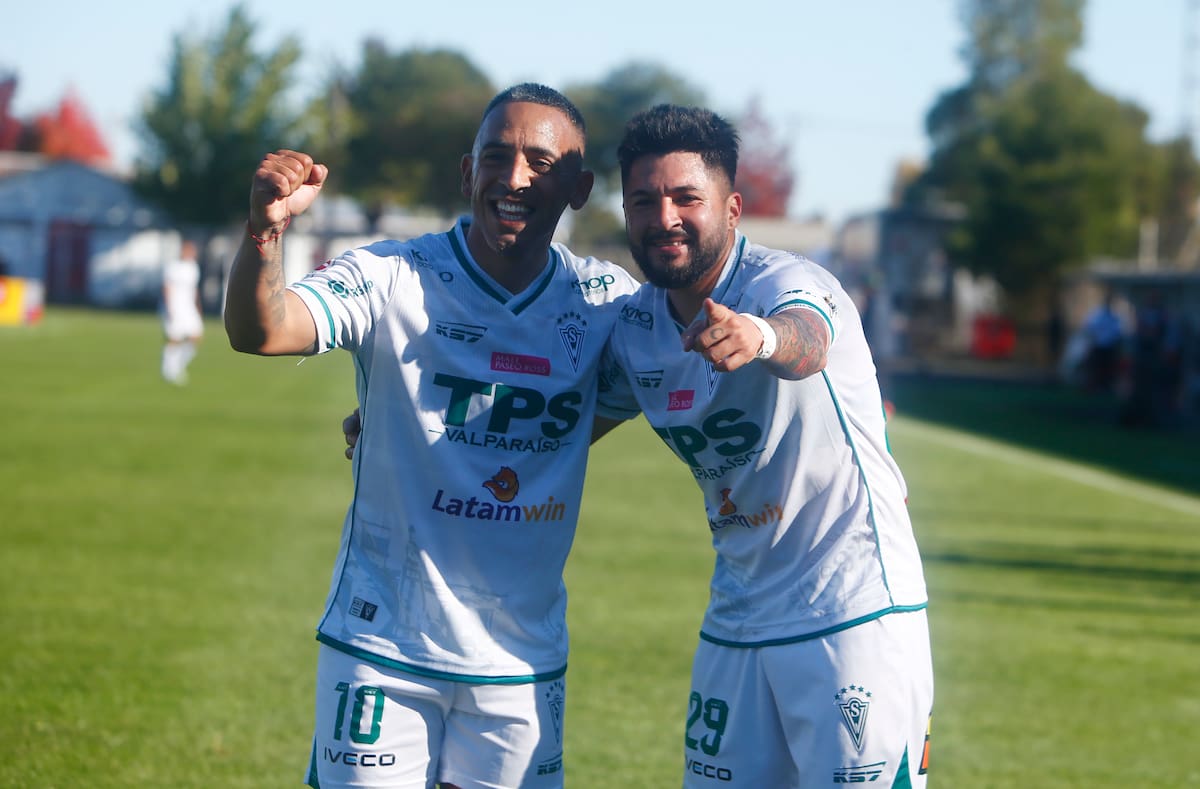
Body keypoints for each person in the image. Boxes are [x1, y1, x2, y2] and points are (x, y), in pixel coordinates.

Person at [224, 83, 638, 789]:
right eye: (496, 157)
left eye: (540, 162)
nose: (513, 178)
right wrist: (265, 229)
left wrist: (461, 438)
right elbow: (259, 329)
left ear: (579, 188)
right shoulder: (392, 275)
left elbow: (634, 396)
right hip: (383, 642)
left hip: (519, 661)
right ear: (465, 171)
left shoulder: (607, 305)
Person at [594, 105, 932, 787]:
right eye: (644, 200)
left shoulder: (787, 283)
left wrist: (762, 336)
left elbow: (807, 338)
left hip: (851, 611)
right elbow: (563, 423)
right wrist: (402, 421)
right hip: (738, 617)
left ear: (733, 207)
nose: (665, 218)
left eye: (687, 197)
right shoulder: (636, 329)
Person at [160, 239, 204, 384]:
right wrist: (169, 308)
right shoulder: (173, 267)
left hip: (188, 307)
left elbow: (194, 289)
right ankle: (168, 368)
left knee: (196, 336)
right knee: (175, 338)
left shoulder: (193, 267)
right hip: (175, 306)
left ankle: (179, 364)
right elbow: (167, 288)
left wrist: (198, 306)